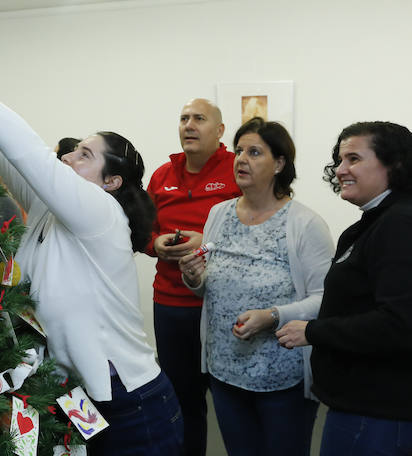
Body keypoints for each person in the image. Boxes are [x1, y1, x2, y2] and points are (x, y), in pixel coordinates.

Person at [0, 27, 183, 455]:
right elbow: (11, 154)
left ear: (112, 182)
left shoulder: (104, 214)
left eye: (84, 155)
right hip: (78, 399)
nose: (67, 157)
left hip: (132, 405)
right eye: (72, 151)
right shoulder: (49, 211)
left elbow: (33, 155)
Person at [180, 117, 332, 456]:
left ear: (279, 163)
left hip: (282, 378)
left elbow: (325, 298)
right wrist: (193, 278)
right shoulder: (218, 214)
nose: (241, 159)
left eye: (254, 152)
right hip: (224, 371)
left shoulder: (304, 224)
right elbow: (210, 288)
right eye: (237, 151)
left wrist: (274, 316)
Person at [276, 121, 412, 456]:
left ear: (394, 163)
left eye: (353, 159)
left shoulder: (398, 223)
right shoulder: (375, 221)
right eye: (339, 160)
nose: (340, 170)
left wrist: (315, 331)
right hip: (362, 406)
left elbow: (399, 323)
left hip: (377, 414)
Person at [145, 98, 241, 456]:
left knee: (232, 400)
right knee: (183, 402)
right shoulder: (161, 176)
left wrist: (209, 243)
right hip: (169, 304)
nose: (189, 125)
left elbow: (256, 226)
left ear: (219, 131)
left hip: (221, 305)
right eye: (184, 118)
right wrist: (156, 244)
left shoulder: (238, 169)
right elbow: (142, 232)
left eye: (199, 119)